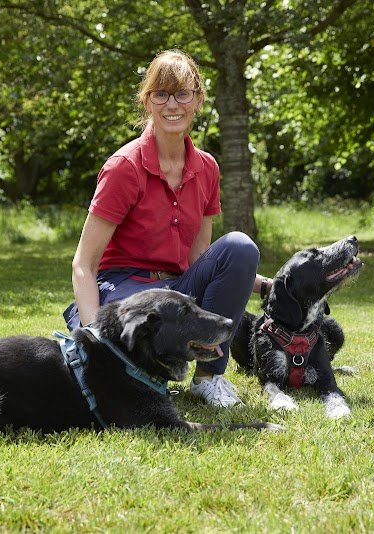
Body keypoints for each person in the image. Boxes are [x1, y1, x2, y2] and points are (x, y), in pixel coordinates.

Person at [64, 49, 271, 408]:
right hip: (122, 287)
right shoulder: (123, 168)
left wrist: (265, 284)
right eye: (160, 94)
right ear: (147, 101)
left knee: (240, 245)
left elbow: (199, 259)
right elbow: (84, 263)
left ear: (198, 99)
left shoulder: (207, 168)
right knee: (129, 351)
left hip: (175, 288)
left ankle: (209, 380)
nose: (171, 104)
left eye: (182, 93)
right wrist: (92, 334)